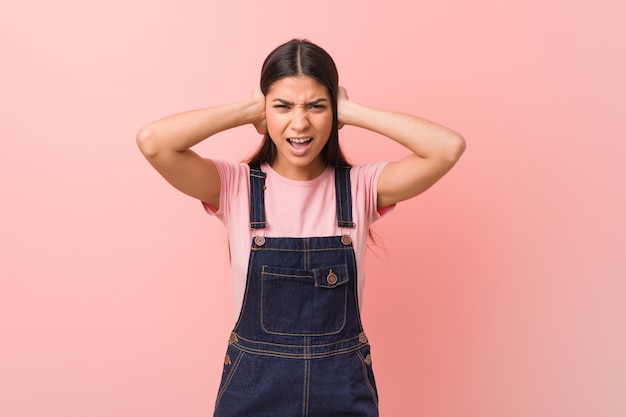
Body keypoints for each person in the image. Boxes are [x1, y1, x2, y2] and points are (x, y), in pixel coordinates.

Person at [136, 38, 465, 417]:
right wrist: (249, 108)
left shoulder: (361, 187)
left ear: (334, 110)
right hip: (254, 389)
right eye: (282, 106)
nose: (300, 123)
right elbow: (154, 142)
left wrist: (352, 110)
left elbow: (448, 147)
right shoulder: (234, 186)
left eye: (316, 106)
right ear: (264, 110)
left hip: (342, 390)